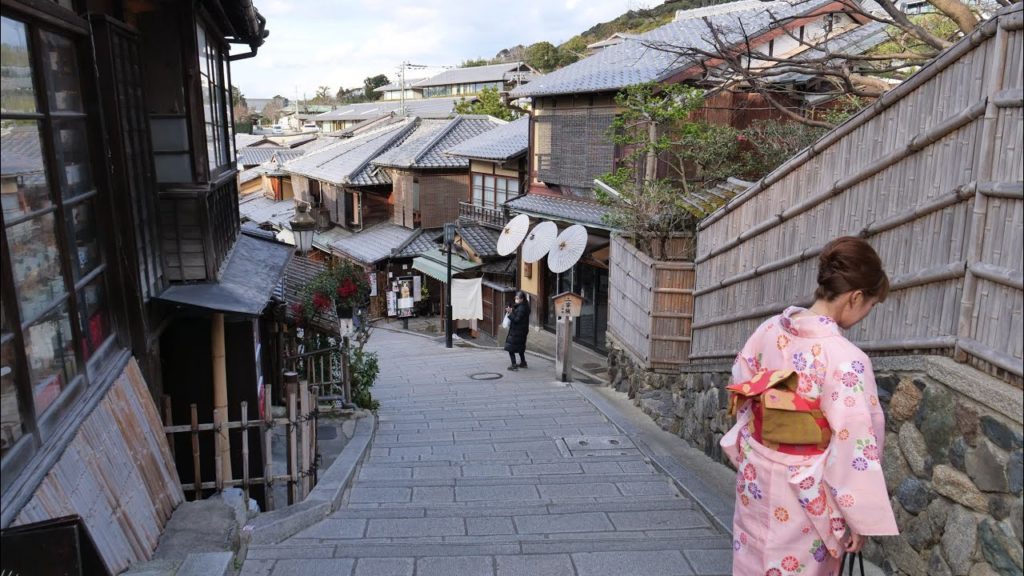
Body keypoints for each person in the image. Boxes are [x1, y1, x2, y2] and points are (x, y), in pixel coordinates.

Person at [722, 236, 898, 575]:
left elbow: (742, 387)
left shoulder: (769, 330)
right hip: (806, 494)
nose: (866, 313)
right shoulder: (846, 360)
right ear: (855, 297)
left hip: (757, 476)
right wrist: (856, 518)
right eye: (870, 305)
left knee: (752, 561)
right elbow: (856, 443)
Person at [504, 291, 530, 371]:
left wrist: (510, 313)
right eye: (516, 298)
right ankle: (523, 362)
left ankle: (514, 365)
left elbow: (516, 320)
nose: (516, 300)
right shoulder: (524, 306)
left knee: (510, 348)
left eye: (518, 298)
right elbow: (518, 316)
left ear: (522, 299)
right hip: (522, 331)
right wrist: (512, 310)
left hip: (517, 331)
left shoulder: (522, 308)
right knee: (520, 347)